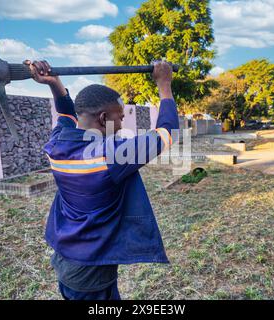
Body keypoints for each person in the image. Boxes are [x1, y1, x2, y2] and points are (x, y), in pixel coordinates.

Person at [24, 59, 178, 300]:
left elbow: (65, 114)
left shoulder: (57, 143)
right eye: (119, 118)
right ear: (104, 118)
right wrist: (164, 84)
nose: (120, 127)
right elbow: (167, 133)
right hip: (91, 273)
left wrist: (54, 83)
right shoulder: (110, 155)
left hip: (68, 259)